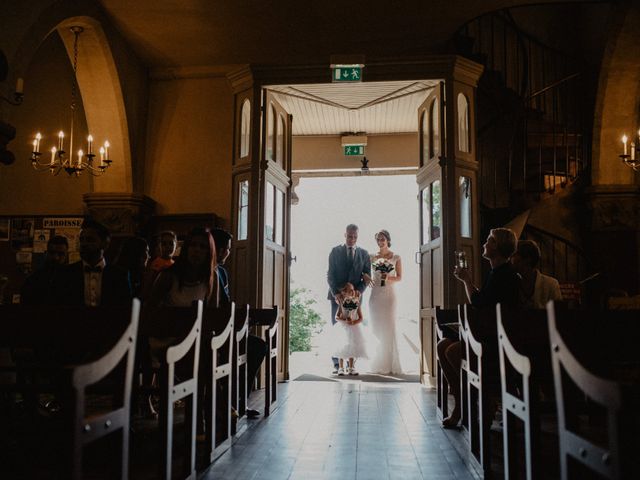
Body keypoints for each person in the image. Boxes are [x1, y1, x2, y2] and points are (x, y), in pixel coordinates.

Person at [437, 227, 519, 428]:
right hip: (489, 334)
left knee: (453, 351)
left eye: (489, 241)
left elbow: (478, 302)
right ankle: (461, 403)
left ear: (498, 247)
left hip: (497, 342)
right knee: (442, 345)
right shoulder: (495, 272)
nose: (484, 244)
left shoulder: (505, 274)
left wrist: (467, 280)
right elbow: (483, 301)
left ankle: (485, 397)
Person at [211, 227, 265, 418]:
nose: (228, 252)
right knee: (256, 347)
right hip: (213, 331)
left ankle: (239, 400)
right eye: (225, 248)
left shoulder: (222, 272)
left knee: (258, 346)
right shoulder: (208, 273)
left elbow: (225, 302)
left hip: (224, 327)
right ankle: (231, 402)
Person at [327, 224, 371, 374]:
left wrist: (358, 291)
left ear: (357, 237)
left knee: (353, 329)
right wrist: (336, 293)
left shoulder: (364, 254)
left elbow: (366, 277)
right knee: (338, 327)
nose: (352, 239)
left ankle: (352, 364)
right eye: (350, 236)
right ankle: (337, 365)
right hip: (337, 296)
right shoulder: (335, 251)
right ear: (344, 235)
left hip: (355, 297)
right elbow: (330, 275)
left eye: (355, 237)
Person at [57, 219, 132, 307]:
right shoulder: (67, 273)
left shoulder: (119, 275)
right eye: (82, 240)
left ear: (105, 244)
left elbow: (124, 308)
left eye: (90, 240)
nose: (84, 244)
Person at [148, 227, 218, 307]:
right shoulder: (168, 275)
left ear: (209, 252)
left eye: (202, 246)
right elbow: (150, 308)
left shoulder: (212, 276)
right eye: (193, 245)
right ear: (186, 248)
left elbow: (213, 312)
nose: (197, 250)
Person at [368, 229, 403, 374]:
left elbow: (400, 277)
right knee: (376, 327)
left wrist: (387, 277)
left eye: (382, 239)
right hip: (375, 294)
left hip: (389, 295)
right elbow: (364, 272)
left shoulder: (396, 257)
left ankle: (390, 363)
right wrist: (366, 277)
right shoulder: (371, 257)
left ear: (388, 240)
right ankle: (377, 362)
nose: (380, 242)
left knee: (389, 327)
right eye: (378, 240)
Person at [511, 240, 562, 308]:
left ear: (527, 259)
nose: (511, 259)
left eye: (514, 254)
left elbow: (558, 313)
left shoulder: (551, 285)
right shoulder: (512, 283)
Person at [20, 235, 69, 305]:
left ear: (66, 255)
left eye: (60, 254)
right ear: (46, 253)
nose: (56, 257)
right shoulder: (34, 279)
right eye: (52, 253)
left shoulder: (72, 278)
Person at [331, 282, 367, 375]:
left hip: (353, 328)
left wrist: (353, 322)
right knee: (342, 346)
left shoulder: (356, 302)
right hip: (343, 328)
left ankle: (351, 367)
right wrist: (344, 319)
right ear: (344, 292)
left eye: (353, 290)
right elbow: (336, 317)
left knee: (352, 347)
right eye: (349, 290)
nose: (352, 292)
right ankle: (341, 368)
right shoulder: (342, 303)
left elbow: (361, 317)